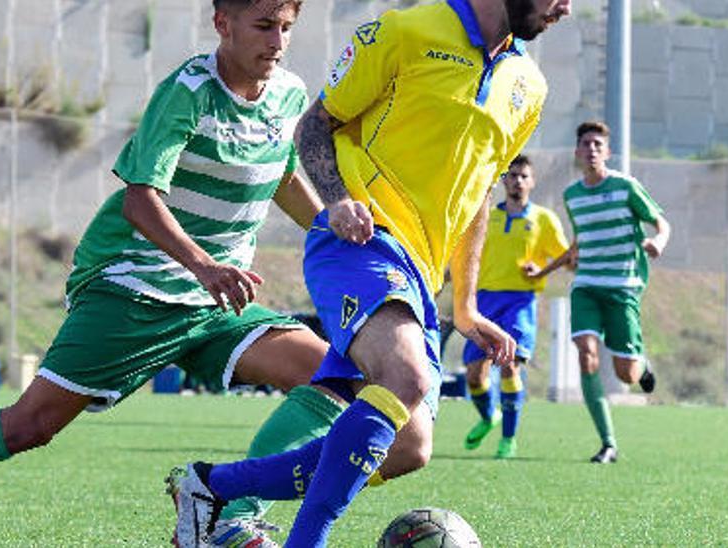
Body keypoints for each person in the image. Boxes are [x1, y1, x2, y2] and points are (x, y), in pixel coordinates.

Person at [0, 1, 349, 545]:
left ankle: (225, 514)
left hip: (213, 303)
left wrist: (326, 222)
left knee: (332, 376)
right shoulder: (187, 92)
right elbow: (139, 202)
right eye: (265, 26)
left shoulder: (288, 93)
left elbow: (283, 171)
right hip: (134, 287)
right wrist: (205, 265)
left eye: (287, 27)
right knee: (30, 425)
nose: (278, 41)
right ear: (223, 24)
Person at [168, 1, 570, 546]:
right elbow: (315, 126)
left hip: (422, 278)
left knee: (409, 448)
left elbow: (480, 195)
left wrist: (466, 306)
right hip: (360, 243)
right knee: (405, 379)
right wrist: (335, 202)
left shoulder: (530, 86)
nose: (565, 7)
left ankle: (212, 487)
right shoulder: (404, 32)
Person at [553, 120, 671, 464]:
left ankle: (642, 363)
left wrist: (658, 242)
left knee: (626, 375)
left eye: (597, 145)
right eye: (585, 144)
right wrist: (546, 268)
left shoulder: (626, 187)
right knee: (586, 354)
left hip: (623, 287)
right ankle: (608, 443)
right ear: (577, 152)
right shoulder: (572, 196)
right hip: (587, 284)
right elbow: (580, 241)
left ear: (607, 152)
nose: (591, 149)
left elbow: (661, 223)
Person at [461, 154, 568, 460]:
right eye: (512, 175)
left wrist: (544, 269)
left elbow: (567, 258)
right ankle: (488, 417)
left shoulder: (544, 220)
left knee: (509, 365)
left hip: (520, 302)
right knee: (474, 376)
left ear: (532, 182)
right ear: (503, 180)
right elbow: (466, 255)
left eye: (524, 176)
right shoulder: (484, 216)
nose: (518, 181)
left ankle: (508, 439)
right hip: (482, 302)